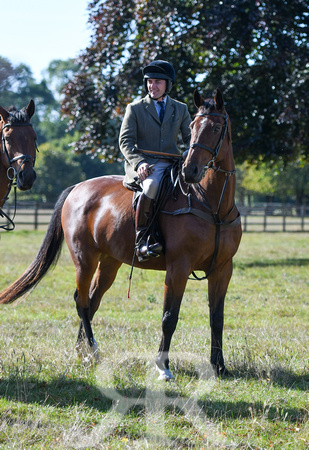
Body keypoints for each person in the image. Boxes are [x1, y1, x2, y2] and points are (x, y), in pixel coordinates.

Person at [119, 60, 191, 262]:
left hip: (173, 163)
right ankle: (142, 240)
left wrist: (189, 153)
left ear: (168, 84)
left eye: (158, 82)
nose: (153, 86)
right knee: (151, 186)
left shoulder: (181, 109)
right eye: (150, 81)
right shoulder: (134, 108)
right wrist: (139, 162)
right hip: (146, 166)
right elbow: (125, 141)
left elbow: (190, 139)